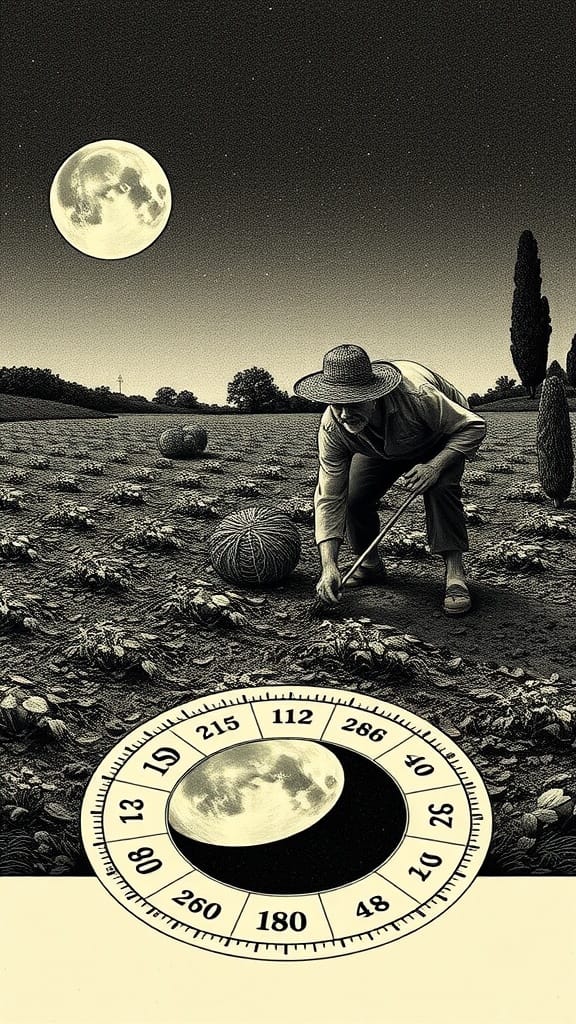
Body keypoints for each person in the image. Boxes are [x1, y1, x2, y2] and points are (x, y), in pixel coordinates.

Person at [293, 344, 487, 615]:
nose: (345, 414)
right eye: (337, 405)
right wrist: (329, 566)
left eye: (354, 403)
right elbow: (329, 495)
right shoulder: (333, 427)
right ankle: (370, 565)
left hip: (440, 436)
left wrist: (434, 467)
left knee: (441, 488)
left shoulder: (418, 395)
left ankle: (455, 575)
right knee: (354, 496)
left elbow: (473, 426)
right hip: (380, 447)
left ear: (374, 396)